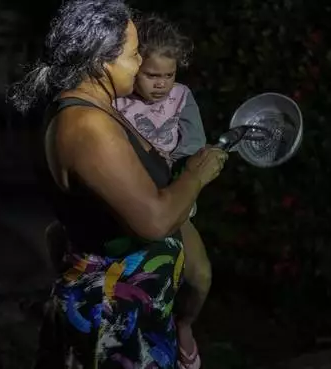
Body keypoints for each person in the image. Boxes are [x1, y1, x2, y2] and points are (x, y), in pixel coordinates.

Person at [7, 1, 228, 368]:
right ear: (101, 62)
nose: (142, 62)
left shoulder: (99, 109)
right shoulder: (86, 126)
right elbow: (154, 221)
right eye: (133, 54)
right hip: (116, 317)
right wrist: (196, 175)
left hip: (136, 310)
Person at [114, 14, 210, 369]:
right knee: (136, 288)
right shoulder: (118, 102)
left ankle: (184, 325)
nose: (161, 85)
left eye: (168, 76)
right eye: (152, 75)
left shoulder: (181, 98)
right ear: (135, 66)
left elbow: (195, 147)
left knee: (200, 276)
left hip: (172, 206)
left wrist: (188, 169)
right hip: (132, 206)